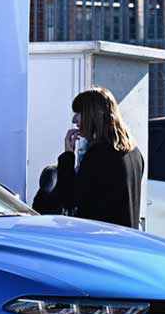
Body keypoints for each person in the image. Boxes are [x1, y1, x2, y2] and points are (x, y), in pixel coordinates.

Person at [56, 87, 144, 228]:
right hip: (126, 238)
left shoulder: (99, 155)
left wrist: (68, 154)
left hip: (101, 239)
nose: (75, 120)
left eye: (79, 113)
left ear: (92, 115)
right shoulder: (134, 153)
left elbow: (69, 198)